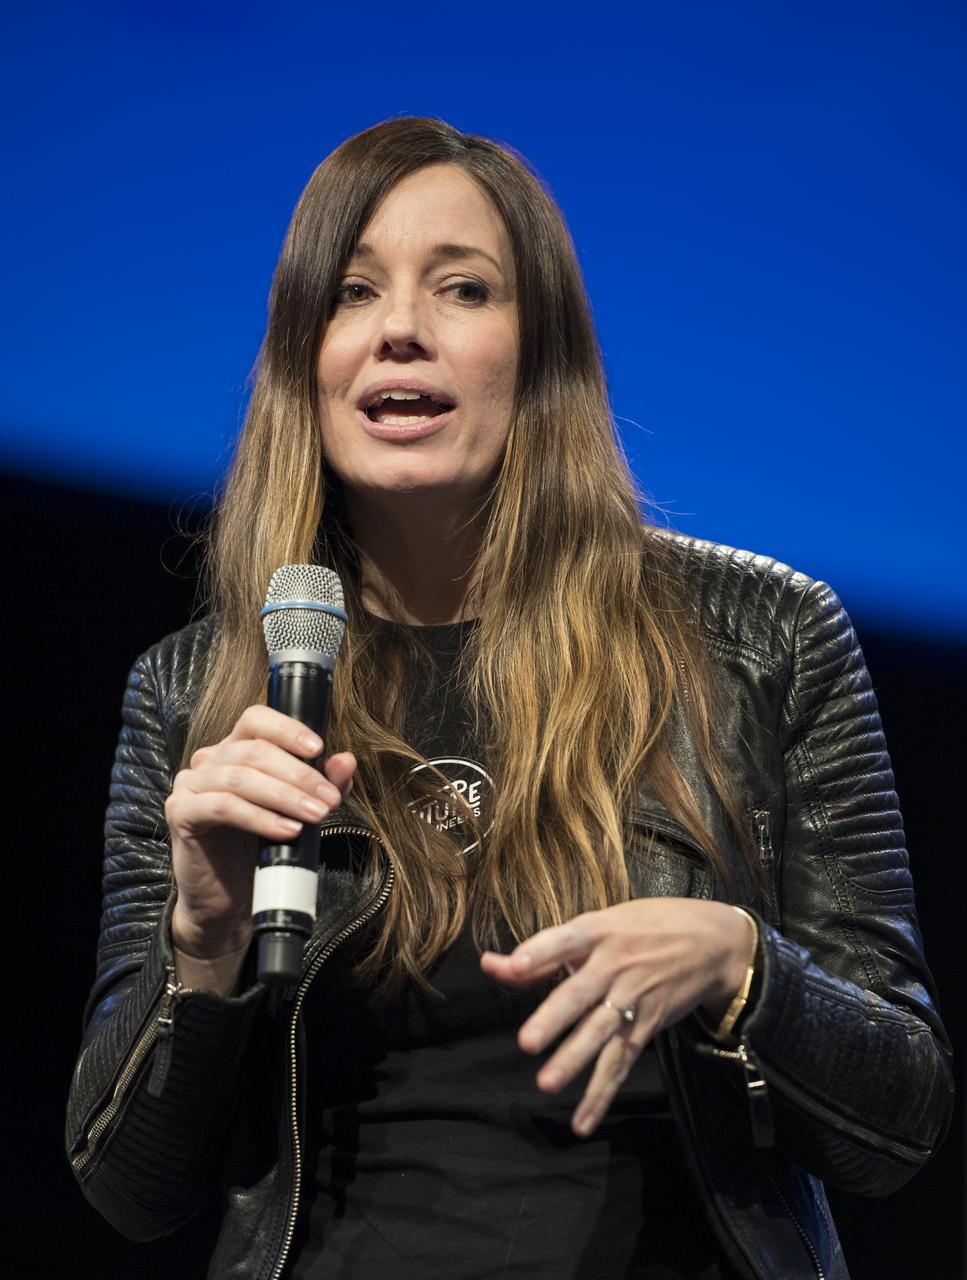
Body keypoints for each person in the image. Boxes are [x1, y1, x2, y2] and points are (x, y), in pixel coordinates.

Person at [66, 117, 953, 1280]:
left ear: (540, 352)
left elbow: (901, 1118)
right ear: (304, 360)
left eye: (462, 288)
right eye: (350, 292)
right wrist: (206, 940)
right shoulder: (195, 694)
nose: (398, 330)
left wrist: (743, 963)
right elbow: (130, 1188)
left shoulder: (766, 641)